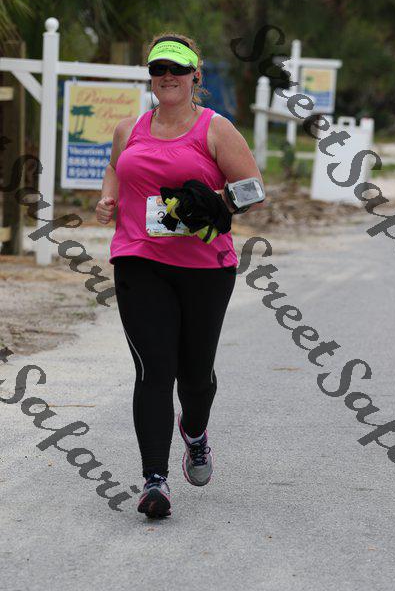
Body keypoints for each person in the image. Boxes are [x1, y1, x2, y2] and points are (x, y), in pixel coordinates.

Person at [96, 32, 264, 519]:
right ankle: (155, 480)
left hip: (205, 269)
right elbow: (116, 167)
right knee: (153, 369)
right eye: (158, 69)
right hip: (139, 260)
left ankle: (194, 432)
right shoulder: (129, 128)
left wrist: (216, 202)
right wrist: (108, 198)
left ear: (195, 76)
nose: (166, 77)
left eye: (176, 69)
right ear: (150, 76)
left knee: (195, 375)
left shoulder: (216, 129)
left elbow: (254, 190)